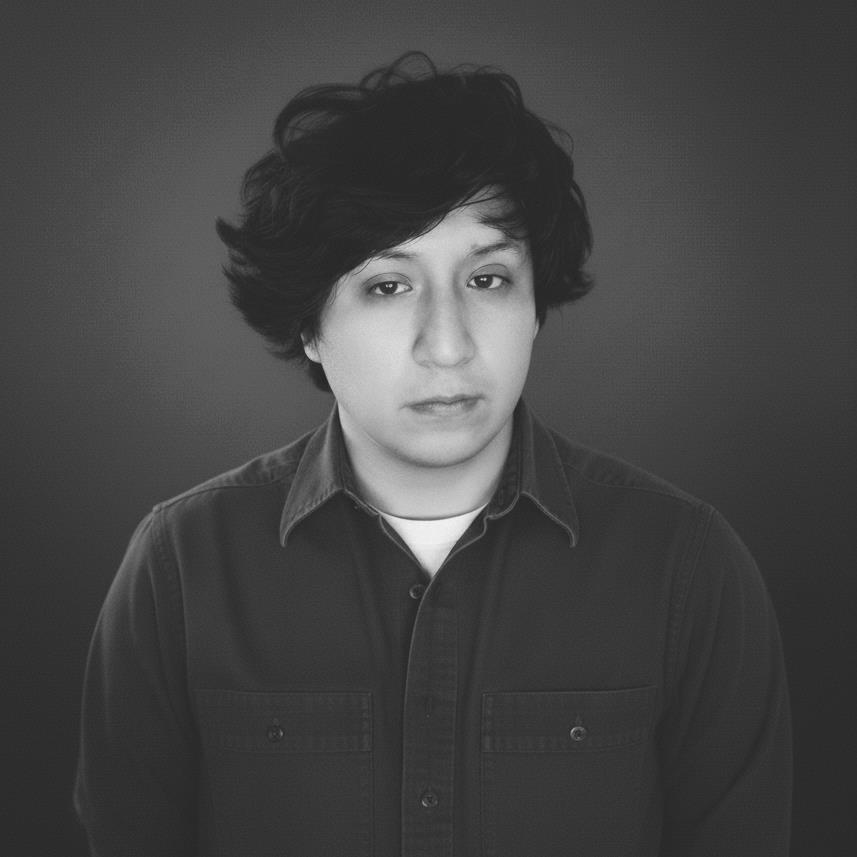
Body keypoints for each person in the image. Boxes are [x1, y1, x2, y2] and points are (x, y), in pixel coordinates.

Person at [74, 53, 792, 856]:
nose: (446, 344)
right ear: (309, 326)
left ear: (535, 305)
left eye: (487, 279)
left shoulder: (686, 566)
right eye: (387, 285)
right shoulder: (180, 566)